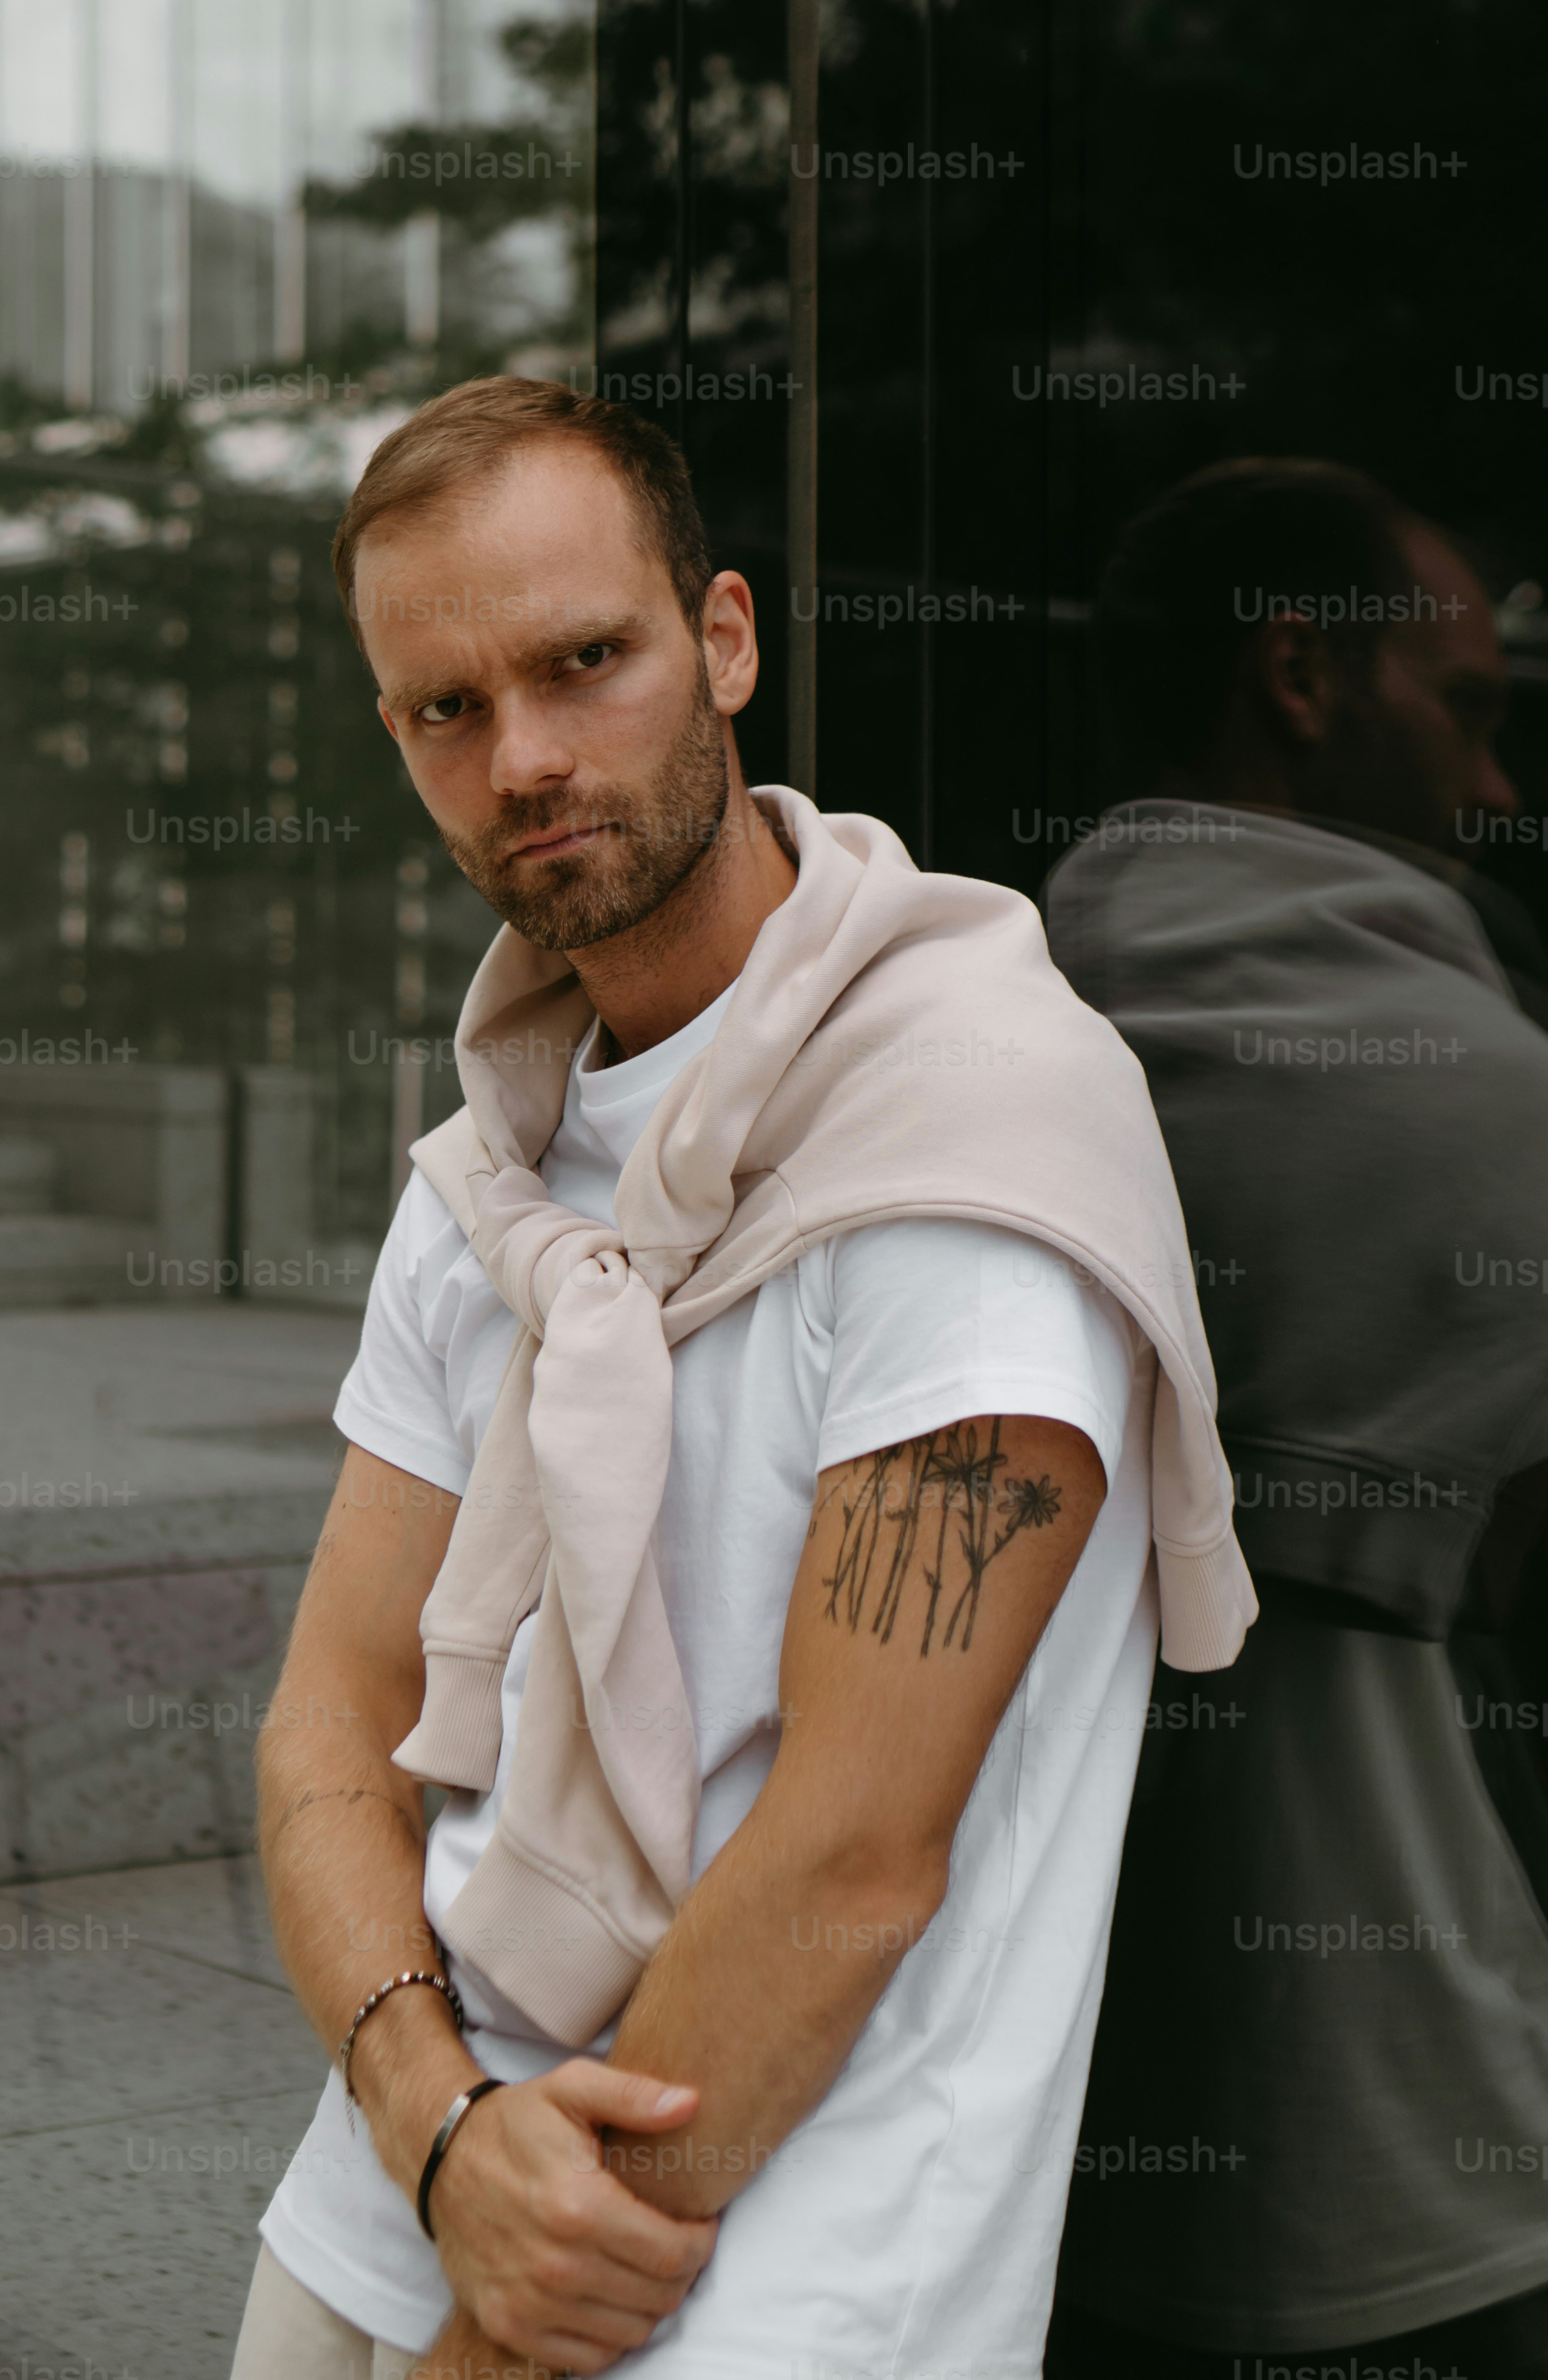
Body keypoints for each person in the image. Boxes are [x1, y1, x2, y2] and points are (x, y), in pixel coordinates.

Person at [231, 377, 1251, 2380]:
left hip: (764, 2293)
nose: (522, 754)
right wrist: (432, 2129)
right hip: (384, 2201)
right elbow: (326, 1733)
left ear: (720, 641)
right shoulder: (489, 1179)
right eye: (447, 708)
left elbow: (852, 1844)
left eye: (583, 661)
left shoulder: (970, 1127)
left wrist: (492, 2325)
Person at [1041, 457, 1548, 2380]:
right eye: (1472, 709)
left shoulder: (988, 1045)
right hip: (1423, 2165)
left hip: (1061, 2156)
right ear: (1305, 678)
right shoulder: (1487, 1111)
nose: (1495, 791)